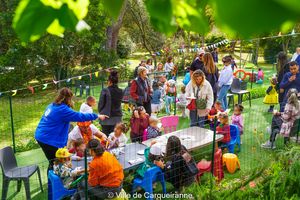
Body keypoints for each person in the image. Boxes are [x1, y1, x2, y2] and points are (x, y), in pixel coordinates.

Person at [35, 87, 108, 171]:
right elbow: (80, 116)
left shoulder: (52, 105)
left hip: (41, 135)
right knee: (57, 162)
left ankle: (54, 179)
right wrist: (97, 116)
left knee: (53, 161)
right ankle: (55, 182)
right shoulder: (63, 110)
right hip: (48, 139)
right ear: (68, 98)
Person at [98, 71, 124, 136]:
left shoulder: (105, 90)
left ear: (109, 81)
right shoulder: (121, 91)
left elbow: (101, 104)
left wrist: (100, 112)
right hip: (117, 117)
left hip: (106, 118)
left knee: (106, 137)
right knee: (115, 137)